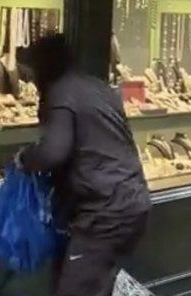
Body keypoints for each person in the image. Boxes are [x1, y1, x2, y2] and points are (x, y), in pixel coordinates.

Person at [16, 34, 151, 296]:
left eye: (33, 70)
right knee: (94, 284)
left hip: (104, 211)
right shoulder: (99, 88)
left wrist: (25, 158)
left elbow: (54, 151)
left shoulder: (62, 94)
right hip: (131, 202)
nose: (31, 79)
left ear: (44, 66)